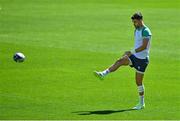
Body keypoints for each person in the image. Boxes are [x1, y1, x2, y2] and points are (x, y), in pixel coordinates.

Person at [94, 12, 152, 110]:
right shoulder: (136, 29)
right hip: (134, 56)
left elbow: (144, 46)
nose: (134, 24)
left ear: (140, 20)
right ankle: (103, 73)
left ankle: (141, 103)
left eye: (135, 22)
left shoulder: (146, 31)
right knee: (120, 61)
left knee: (138, 82)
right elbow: (137, 44)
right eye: (133, 22)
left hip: (142, 60)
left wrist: (131, 52)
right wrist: (130, 53)